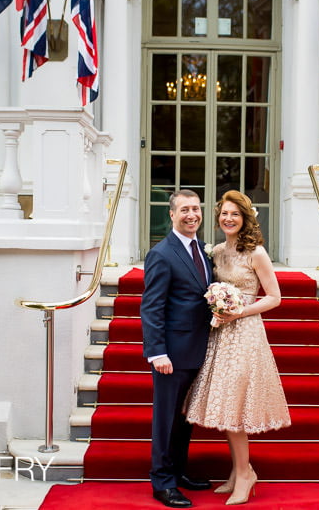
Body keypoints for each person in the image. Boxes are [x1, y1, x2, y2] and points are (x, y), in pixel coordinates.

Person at [184, 190, 291, 506]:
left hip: (244, 333)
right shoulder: (216, 251)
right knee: (229, 405)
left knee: (235, 405)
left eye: (235, 214)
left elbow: (274, 297)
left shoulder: (255, 252)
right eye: (224, 213)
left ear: (245, 219)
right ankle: (240, 471)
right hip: (220, 334)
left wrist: (239, 310)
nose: (228, 219)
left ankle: (245, 474)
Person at [141, 189, 214, 508]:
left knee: (185, 418)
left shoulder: (202, 250)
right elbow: (151, 306)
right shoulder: (162, 253)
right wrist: (158, 353)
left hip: (200, 348)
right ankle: (162, 482)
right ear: (172, 214)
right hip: (172, 352)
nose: (191, 215)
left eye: (195, 209)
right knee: (166, 418)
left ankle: (179, 471)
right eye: (184, 209)